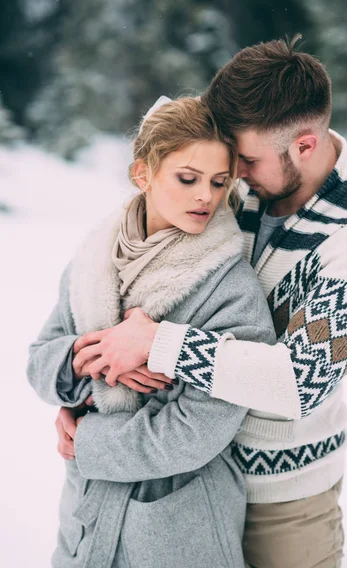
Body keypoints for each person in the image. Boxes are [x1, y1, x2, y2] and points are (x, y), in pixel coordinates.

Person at [56, 36, 347, 568]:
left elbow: (297, 383)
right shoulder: (233, 187)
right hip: (183, 486)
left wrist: (158, 343)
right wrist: (86, 391)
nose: (229, 178)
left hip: (281, 501)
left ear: (304, 146)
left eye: (245, 160)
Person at [27, 96, 277, 568]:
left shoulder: (230, 287)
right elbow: (40, 358)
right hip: (86, 517)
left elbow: (196, 431)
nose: (206, 195)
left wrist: (88, 440)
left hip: (177, 527)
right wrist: (84, 359)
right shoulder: (93, 259)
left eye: (219, 182)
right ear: (142, 174)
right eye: (188, 178)